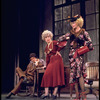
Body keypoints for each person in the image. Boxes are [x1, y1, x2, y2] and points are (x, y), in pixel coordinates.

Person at [58, 15, 93, 100]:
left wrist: (83, 44)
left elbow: (90, 43)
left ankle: (83, 95)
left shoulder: (83, 32)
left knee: (79, 74)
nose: (72, 24)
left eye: (74, 22)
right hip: (71, 55)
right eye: (71, 23)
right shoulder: (71, 33)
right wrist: (65, 38)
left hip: (79, 55)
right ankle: (77, 95)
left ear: (78, 22)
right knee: (73, 75)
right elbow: (60, 38)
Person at [40, 30, 66, 99]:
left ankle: (54, 93)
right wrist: (46, 65)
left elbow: (63, 44)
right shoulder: (46, 48)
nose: (47, 38)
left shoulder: (54, 42)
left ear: (50, 36)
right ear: (44, 39)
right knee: (46, 75)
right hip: (51, 61)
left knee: (56, 76)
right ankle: (46, 93)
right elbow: (47, 58)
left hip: (57, 60)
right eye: (46, 37)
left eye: (48, 36)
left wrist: (58, 50)